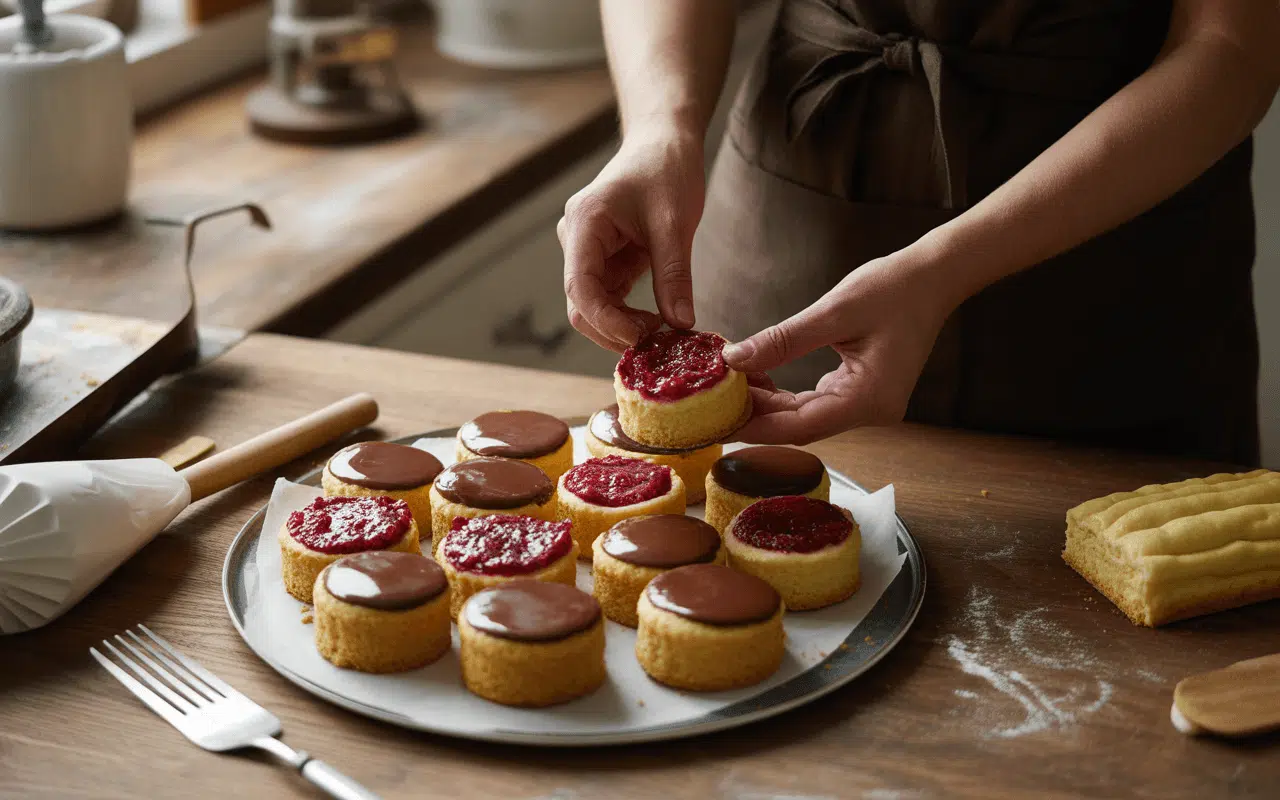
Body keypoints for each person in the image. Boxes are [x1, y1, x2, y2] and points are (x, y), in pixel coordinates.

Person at [559, 0, 1280, 465]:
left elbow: (1232, 48)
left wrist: (943, 269)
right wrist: (660, 125)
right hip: (783, 251)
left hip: (1103, 294)